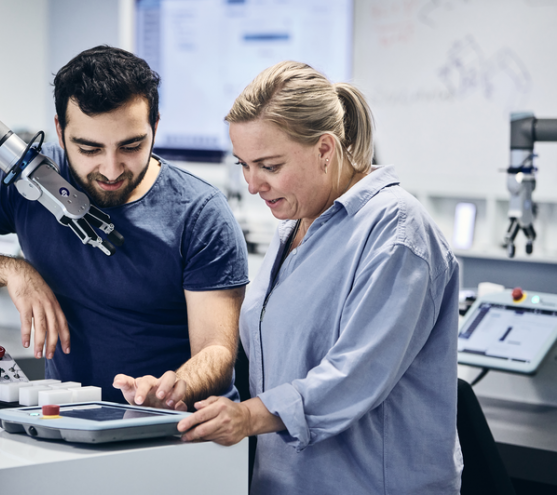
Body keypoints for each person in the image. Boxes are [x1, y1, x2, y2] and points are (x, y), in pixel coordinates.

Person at [0, 45, 249, 409]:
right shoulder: (31, 179)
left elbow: (216, 351)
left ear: (155, 127)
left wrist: (175, 387)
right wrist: (13, 271)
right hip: (69, 427)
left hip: (178, 432)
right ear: (59, 130)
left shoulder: (200, 213)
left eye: (131, 145)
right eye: (89, 148)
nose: (111, 169)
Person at [177, 61, 462, 493]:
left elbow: (354, 375)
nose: (253, 185)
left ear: (325, 151)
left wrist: (248, 417)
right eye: (244, 165)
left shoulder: (397, 234)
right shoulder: (296, 223)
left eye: (269, 166)